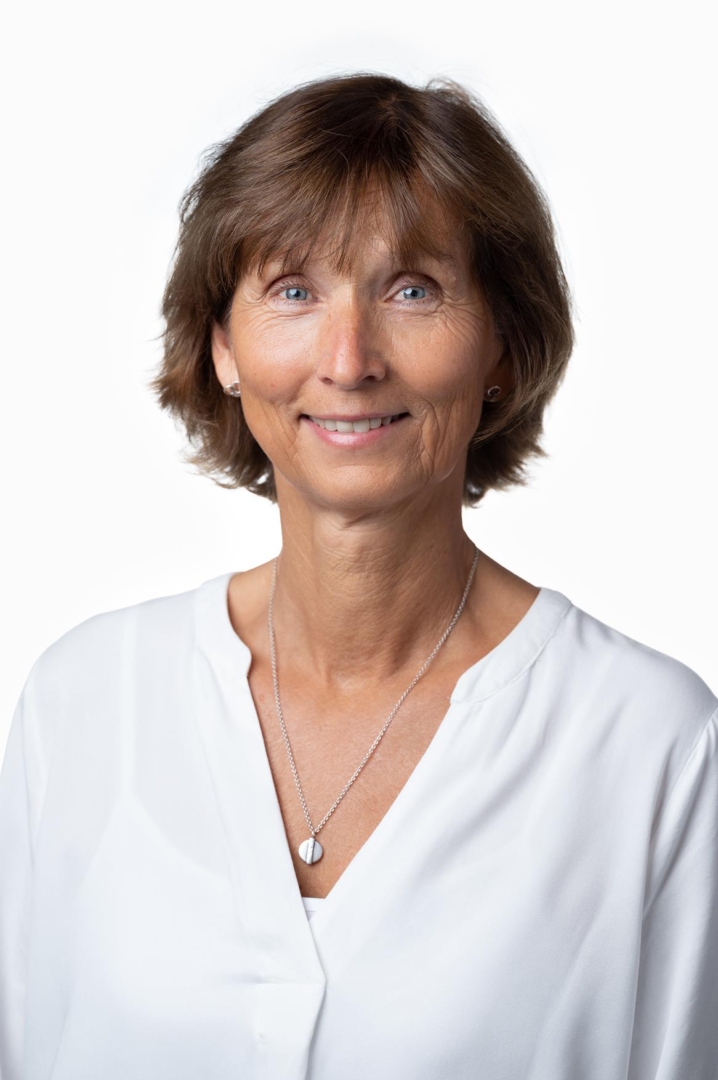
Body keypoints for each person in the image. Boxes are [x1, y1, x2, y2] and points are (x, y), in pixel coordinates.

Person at [1, 72, 716, 1080]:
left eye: (411, 289)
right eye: (293, 290)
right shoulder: (80, 704)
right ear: (222, 346)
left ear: (502, 345)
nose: (348, 360)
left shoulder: (651, 746)